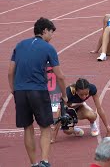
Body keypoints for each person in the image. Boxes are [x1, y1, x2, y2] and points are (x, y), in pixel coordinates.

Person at [8, 17, 68, 167]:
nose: (52, 36)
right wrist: (64, 95)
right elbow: (59, 75)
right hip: (38, 91)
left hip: (20, 91)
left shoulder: (20, 44)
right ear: (44, 31)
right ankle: (45, 161)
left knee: (27, 127)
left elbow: (10, 72)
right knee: (45, 127)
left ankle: (33, 163)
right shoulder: (48, 48)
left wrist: (13, 90)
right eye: (51, 32)